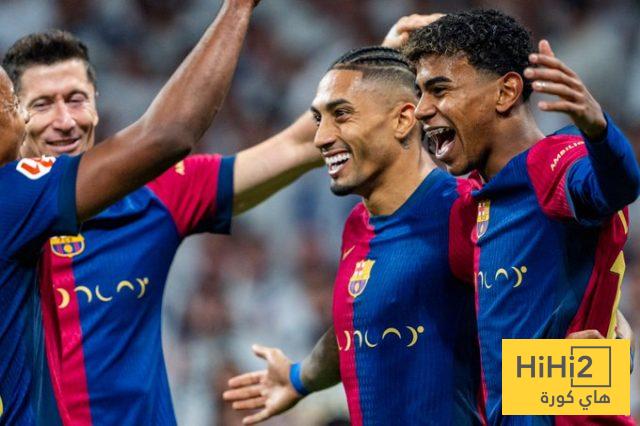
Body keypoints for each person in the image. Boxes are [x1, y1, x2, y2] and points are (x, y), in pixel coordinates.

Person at [3, 26, 320, 426]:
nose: (65, 121)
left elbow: (297, 144)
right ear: (16, 116)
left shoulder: (154, 195)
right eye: (43, 104)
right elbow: (170, 132)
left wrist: (373, 75)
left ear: (97, 104)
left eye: (76, 99)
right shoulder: (9, 211)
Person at [404, 9, 639, 425]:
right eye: (420, 92)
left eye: (438, 89)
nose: (421, 109)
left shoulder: (556, 162)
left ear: (506, 92)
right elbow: (504, 379)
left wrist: (599, 131)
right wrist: (597, 369)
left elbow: (618, 186)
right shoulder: (470, 206)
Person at [228, 45, 484, 425]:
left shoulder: (464, 211)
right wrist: (300, 379)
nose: (321, 138)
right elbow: (363, 322)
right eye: (319, 119)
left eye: (341, 115)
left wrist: (573, 393)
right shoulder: (358, 223)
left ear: (403, 120)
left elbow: (541, 328)